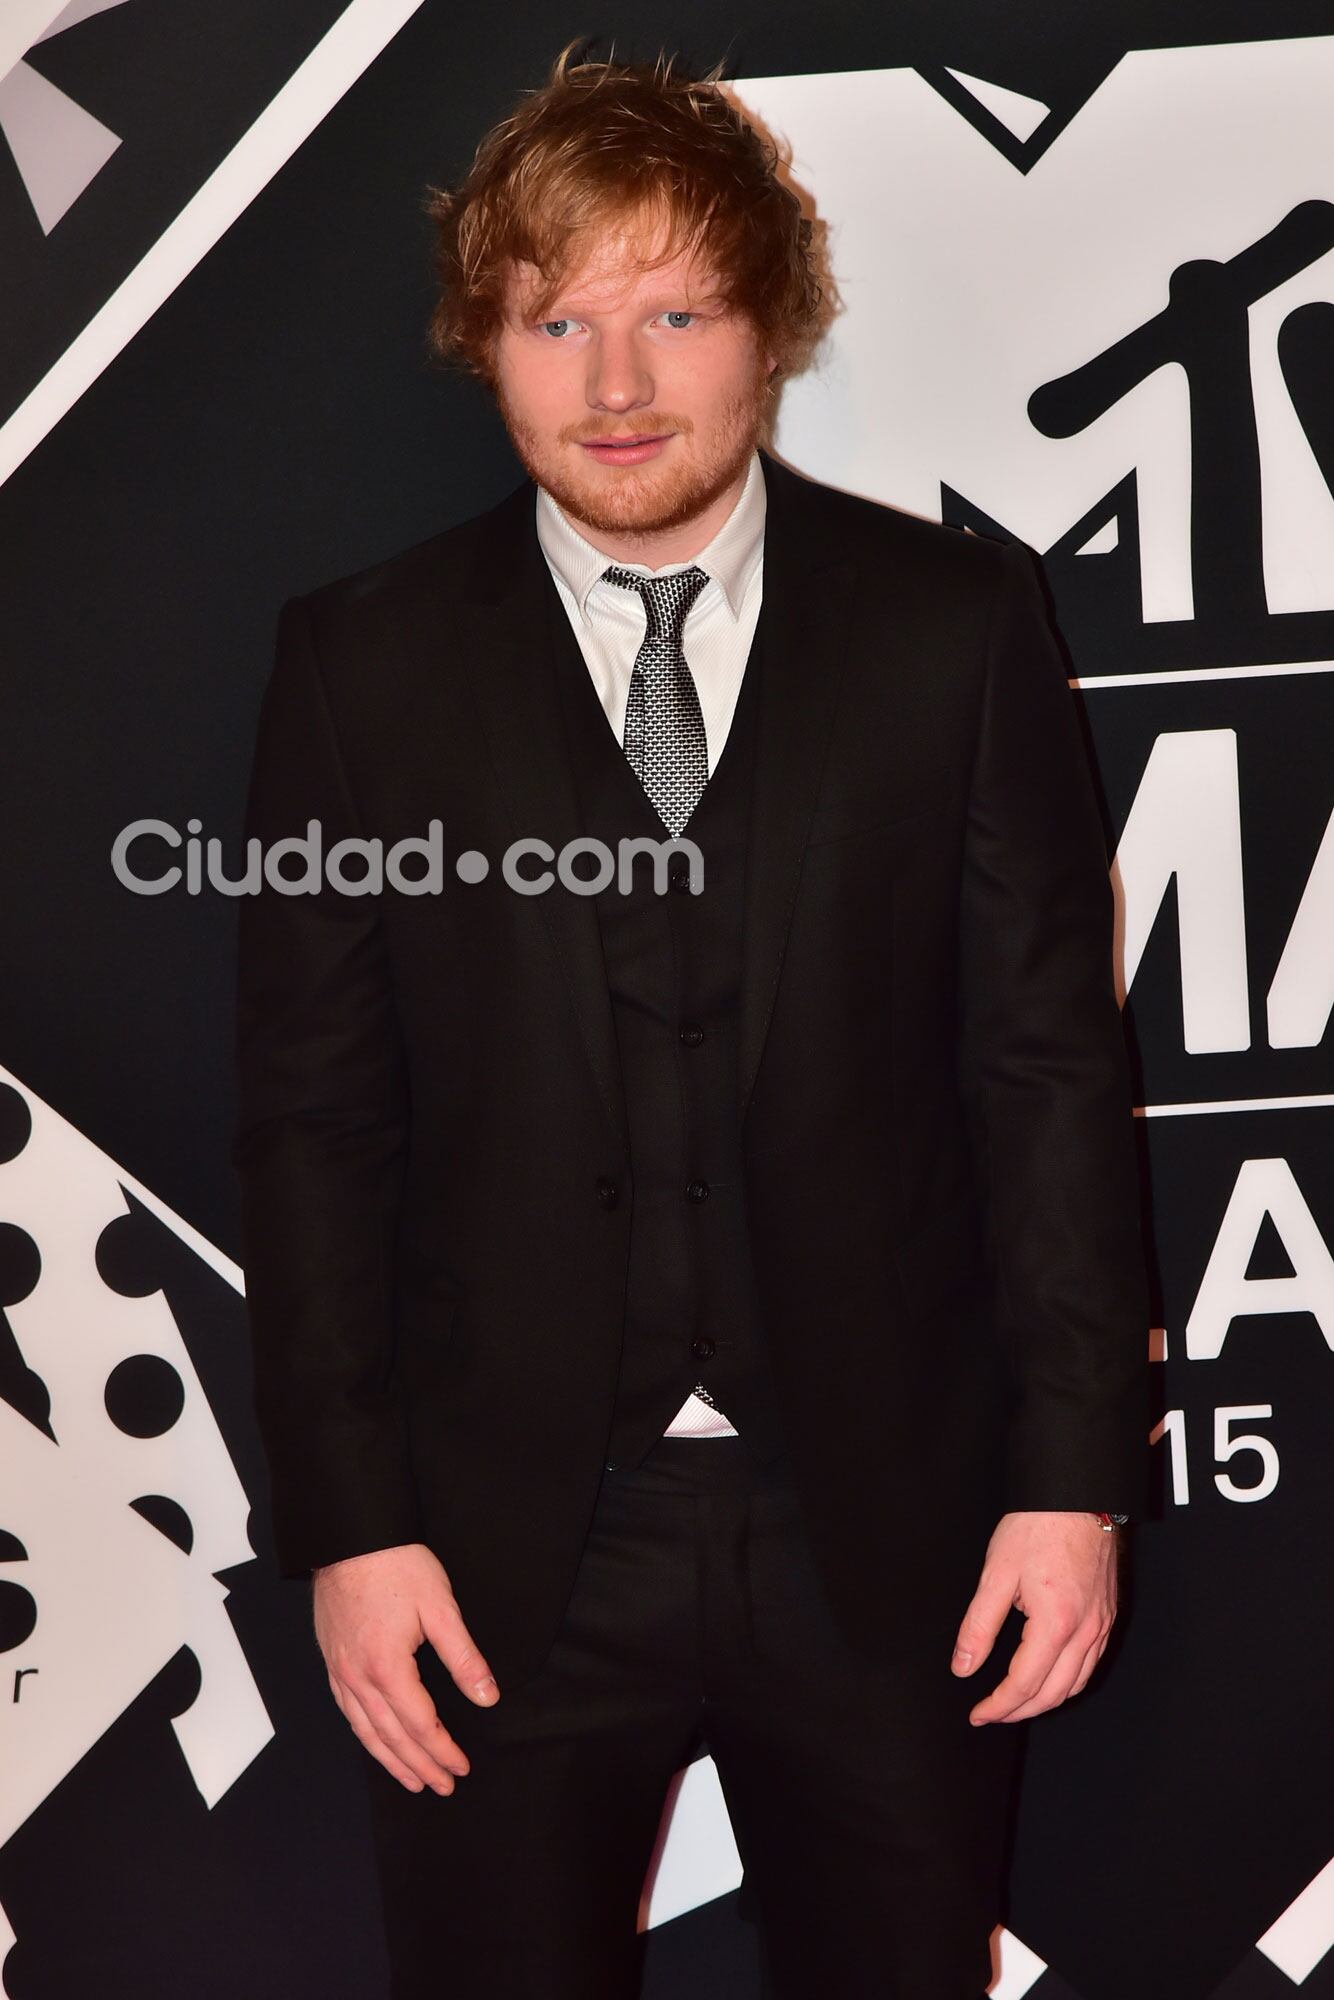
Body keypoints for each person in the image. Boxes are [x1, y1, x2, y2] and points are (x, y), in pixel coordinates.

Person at [232, 38, 1150, 2000]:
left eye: (673, 312)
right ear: (487, 342)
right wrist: (346, 1524)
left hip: (889, 1532)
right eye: (555, 317)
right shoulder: (361, 668)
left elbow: (1047, 1076)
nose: (616, 382)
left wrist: (1069, 1478)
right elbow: (316, 1123)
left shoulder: (952, 635)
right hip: (490, 1556)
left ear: (771, 330)